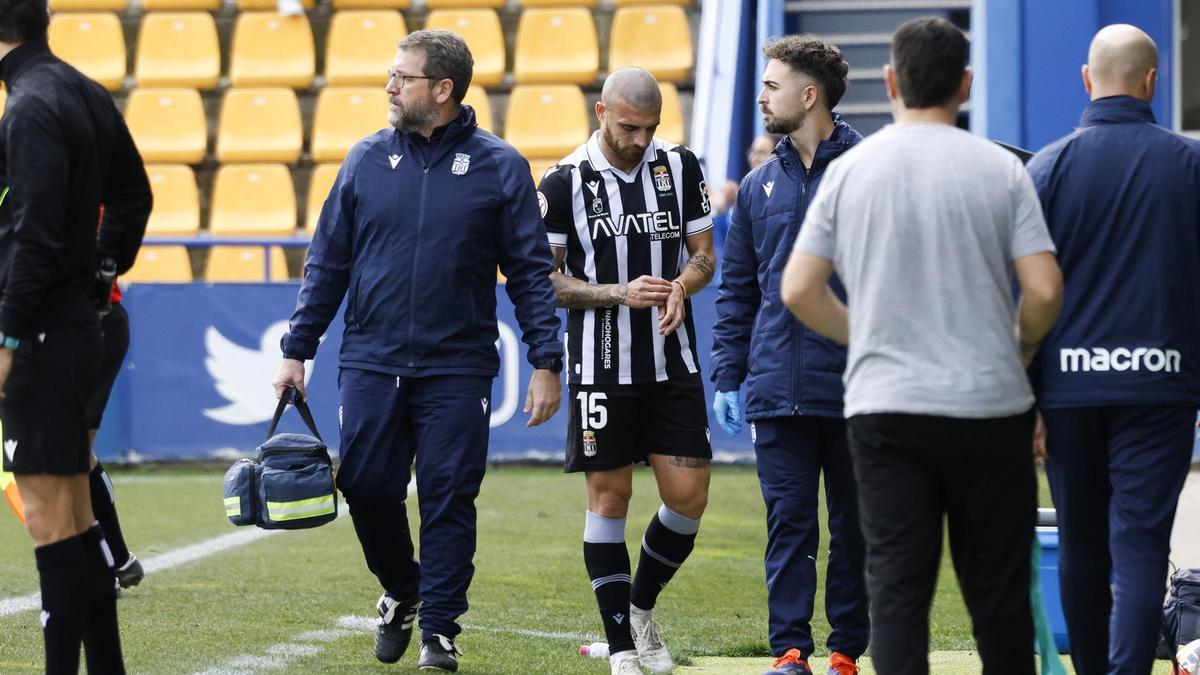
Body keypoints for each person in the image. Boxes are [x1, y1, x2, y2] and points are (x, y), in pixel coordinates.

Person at [779, 17, 1063, 675]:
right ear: (965, 84)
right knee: (998, 597)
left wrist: (868, 335)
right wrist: (1017, 348)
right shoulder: (1001, 169)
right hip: (988, 405)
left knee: (898, 593)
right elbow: (1045, 289)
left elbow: (799, 288)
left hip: (887, 407)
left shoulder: (853, 171)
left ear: (890, 81)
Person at [273, 29, 563, 672]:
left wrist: (547, 360)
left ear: (442, 89)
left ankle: (439, 630)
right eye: (392, 74)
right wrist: (297, 350)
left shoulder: (500, 166)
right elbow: (327, 263)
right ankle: (404, 589)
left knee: (448, 493)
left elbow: (529, 272)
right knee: (365, 485)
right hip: (371, 358)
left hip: (458, 364)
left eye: (402, 77)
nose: (390, 86)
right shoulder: (364, 159)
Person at [1025, 24, 1200, 675]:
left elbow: (1024, 292)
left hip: (1067, 391)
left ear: (1086, 79)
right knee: (1141, 545)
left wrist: (1028, 398)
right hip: (1161, 385)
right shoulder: (1190, 166)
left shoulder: (1047, 168)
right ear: (1153, 80)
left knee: (1080, 544)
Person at [537, 66, 715, 675]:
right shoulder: (564, 181)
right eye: (630, 127)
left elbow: (703, 256)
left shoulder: (680, 167)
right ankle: (620, 649)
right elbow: (544, 279)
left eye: (651, 128)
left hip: (672, 359)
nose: (641, 140)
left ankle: (639, 609)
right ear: (602, 113)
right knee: (610, 497)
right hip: (600, 364)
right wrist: (617, 292)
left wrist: (680, 287)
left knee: (688, 498)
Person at [0, 0, 152, 670]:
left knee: (50, 522)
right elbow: (135, 196)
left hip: (39, 336)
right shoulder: (82, 88)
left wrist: (7, 337)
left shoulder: (30, 103)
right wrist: (99, 276)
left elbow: (34, 233)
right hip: (73, 326)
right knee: (76, 519)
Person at [710, 36, 868, 675]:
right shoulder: (757, 186)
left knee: (856, 528)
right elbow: (737, 292)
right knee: (790, 526)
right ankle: (791, 651)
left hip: (857, 387)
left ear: (808, 96)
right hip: (776, 388)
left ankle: (846, 651)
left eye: (772, 86)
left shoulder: (868, 171)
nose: (761, 96)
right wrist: (729, 375)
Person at [86, 280, 143, 590]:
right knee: (68, 454)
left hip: (91, 321)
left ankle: (105, 564)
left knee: (72, 453)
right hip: (42, 330)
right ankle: (117, 560)